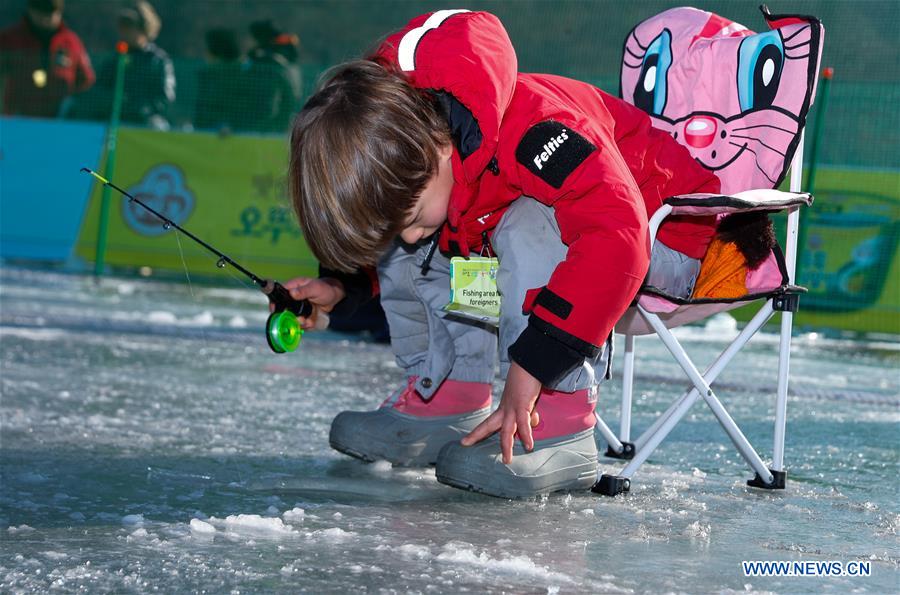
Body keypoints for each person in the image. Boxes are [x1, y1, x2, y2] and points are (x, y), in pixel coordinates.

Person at [285, 10, 720, 498]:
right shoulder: (423, 142)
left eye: (407, 217)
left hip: (675, 237)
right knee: (432, 239)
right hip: (600, 249)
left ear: (437, 148)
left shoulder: (537, 131)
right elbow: (406, 227)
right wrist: (341, 285)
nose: (405, 237)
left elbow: (615, 235)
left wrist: (533, 368)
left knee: (527, 220)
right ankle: (451, 395)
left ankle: (560, 420)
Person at [82, 1, 174, 129]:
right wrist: (114, 102)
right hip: (114, 117)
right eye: (123, 26)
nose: (125, 32)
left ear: (143, 28)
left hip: (145, 120)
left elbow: (165, 98)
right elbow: (99, 89)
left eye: (130, 26)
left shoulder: (158, 61)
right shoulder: (115, 59)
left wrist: (140, 108)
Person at [0, 0, 94, 118]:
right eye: (40, 12)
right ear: (30, 11)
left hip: (59, 118)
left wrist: (71, 104)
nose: (45, 18)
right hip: (16, 116)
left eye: (51, 13)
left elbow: (86, 79)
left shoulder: (71, 41)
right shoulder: (9, 39)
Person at [242, 19, 301, 133]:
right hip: (281, 122)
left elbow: (266, 102)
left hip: (262, 124)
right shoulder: (284, 59)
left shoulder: (263, 62)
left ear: (256, 38)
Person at [194, 28, 246, 132]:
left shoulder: (209, 74)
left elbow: (204, 105)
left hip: (212, 126)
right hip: (238, 127)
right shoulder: (245, 71)